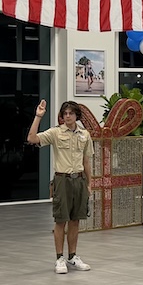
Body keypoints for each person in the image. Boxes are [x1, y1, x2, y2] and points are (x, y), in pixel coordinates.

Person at [28, 99, 93, 274]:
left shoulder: (84, 135)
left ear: (76, 115)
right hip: (62, 180)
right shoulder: (56, 133)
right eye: (65, 114)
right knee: (60, 220)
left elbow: (86, 160)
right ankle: (59, 258)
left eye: (71, 113)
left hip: (79, 180)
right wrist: (38, 116)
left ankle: (73, 256)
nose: (68, 116)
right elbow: (32, 138)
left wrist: (89, 183)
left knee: (75, 220)